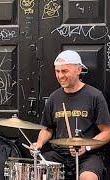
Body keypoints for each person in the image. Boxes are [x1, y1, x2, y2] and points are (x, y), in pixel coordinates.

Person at [32, 50, 110, 180]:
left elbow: (107, 132)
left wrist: (87, 147)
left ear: (78, 70)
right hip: (59, 154)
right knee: (37, 171)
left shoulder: (94, 96)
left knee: (88, 177)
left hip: (88, 155)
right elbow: (47, 129)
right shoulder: (54, 97)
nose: (60, 76)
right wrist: (39, 143)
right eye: (57, 71)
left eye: (64, 71)